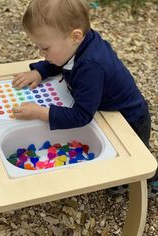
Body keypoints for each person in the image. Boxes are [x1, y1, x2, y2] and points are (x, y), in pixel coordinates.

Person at [11, 0, 157, 197]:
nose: (41, 53)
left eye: (45, 48)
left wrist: (40, 112)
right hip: (107, 114)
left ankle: (151, 181)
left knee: (137, 161)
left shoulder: (91, 66)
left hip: (129, 120)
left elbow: (81, 115)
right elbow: (61, 60)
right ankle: (121, 180)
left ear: (75, 36)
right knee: (118, 163)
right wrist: (39, 71)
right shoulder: (76, 44)